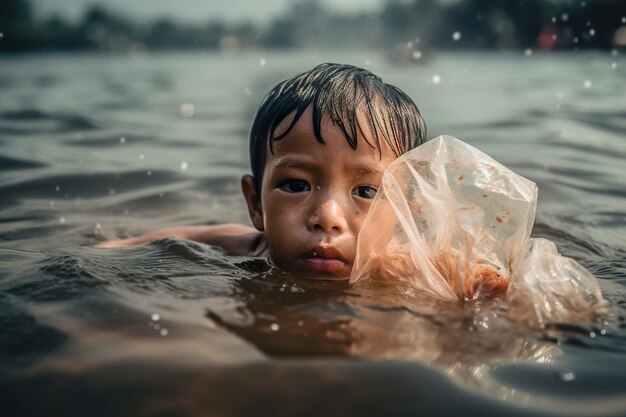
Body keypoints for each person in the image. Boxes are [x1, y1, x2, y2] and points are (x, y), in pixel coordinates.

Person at [97, 63, 427, 280]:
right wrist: (108, 251)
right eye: (296, 185)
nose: (327, 218)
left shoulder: (408, 265)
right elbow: (169, 239)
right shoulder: (251, 247)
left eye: (366, 191)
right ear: (256, 205)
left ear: (404, 217)